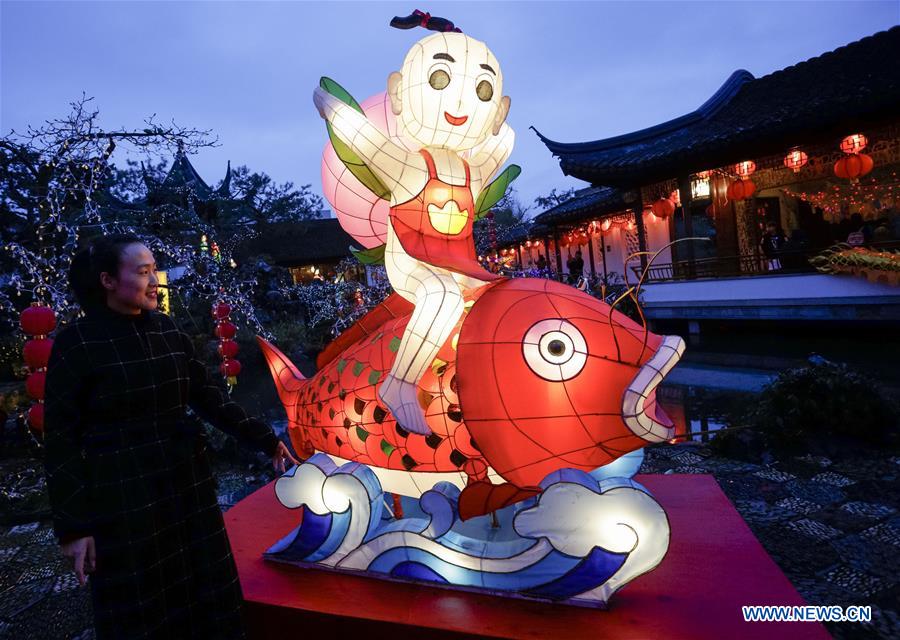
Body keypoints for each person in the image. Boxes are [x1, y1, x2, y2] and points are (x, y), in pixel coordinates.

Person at [44, 234, 298, 639]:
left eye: (154, 270)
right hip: (122, 492)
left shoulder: (168, 331)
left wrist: (265, 438)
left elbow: (208, 399)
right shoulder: (78, 344)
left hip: (185, 481)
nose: (155, 281)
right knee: (141, 603)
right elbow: (60, 438)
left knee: (205, 590)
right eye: (143, 272)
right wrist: (73, 528)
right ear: (108, 281)